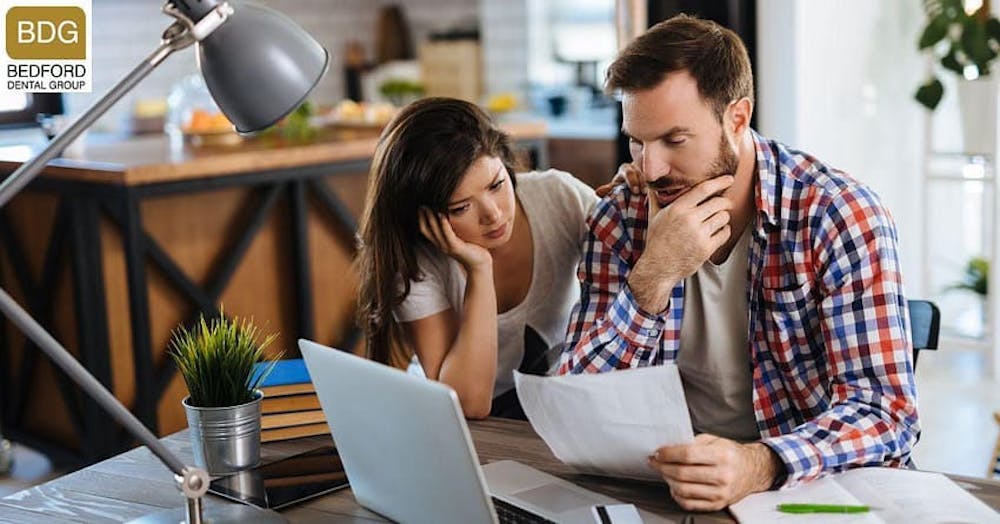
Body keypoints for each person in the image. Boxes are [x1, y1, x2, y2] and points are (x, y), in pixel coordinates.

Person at [559, 15, 918, 511]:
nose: (651, 168)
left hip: (808, 491)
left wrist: (759, 463)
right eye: (637, 142)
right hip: (668, 490)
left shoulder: (838, 215)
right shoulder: (619, 219)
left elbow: (885, 413)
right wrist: (652, 277)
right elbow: (573, 407)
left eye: (674, 140)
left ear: (737, 117)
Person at [356, 97, 599, 419]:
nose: (494, 215)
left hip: (552, 412)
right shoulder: (416, 262)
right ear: (423, 216)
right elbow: (467, 403)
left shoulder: (559, 197)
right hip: (457, 424)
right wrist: (479, 270)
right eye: (461, 208)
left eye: (496, 184)